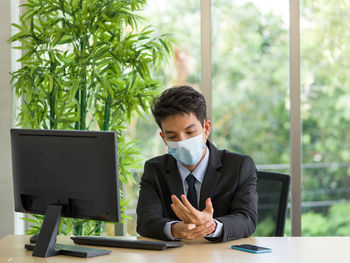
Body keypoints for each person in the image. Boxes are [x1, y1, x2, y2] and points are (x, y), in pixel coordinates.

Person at [136, 85, 258, 242]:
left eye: (190, 132)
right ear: (163, 138)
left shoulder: (239, 166)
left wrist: (210, 226)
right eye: (172, 137)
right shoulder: (154, 170)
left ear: (206, 128)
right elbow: (145, 222)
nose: (182, 141)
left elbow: (247, 218)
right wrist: (174, 229)